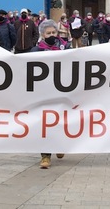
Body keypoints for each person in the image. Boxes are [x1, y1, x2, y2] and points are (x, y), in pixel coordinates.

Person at [25, 19, 66, 169]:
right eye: (48, 33)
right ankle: (45, 156)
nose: (51, 35)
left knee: (62, 121)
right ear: (42, 34)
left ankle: (61, 146)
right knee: (45, 124)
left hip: (62, 92)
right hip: (43, 93)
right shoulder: (36, 51)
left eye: (54, 32)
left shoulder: (65, 47)